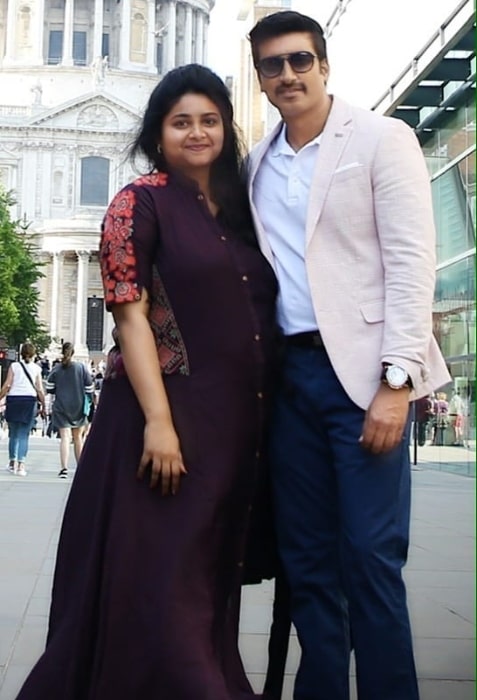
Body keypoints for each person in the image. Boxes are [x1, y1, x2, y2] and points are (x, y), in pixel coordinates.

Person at [15, 64, 277, 700]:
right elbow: (129, 316)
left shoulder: (243, 209)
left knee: (204, 571)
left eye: (209, 120)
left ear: (227, 128)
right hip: (165, 418)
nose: (196, 133)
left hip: (231, 424)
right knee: (163, 572)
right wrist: (159, 422)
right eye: (180, 121)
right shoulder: (138, 201)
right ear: (158, 132)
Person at [246, 11, 451, 700]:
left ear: (324, 64)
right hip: (290, 383)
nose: (287, 75)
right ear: (261, 79)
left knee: (369, 559)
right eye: (272, 65)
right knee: (307, 565)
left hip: (364, 379)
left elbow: (409, 261)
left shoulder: (380, 138)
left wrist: (396, 382)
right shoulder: (255, 165)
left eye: (299, 60)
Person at [45, 342, 94, 478]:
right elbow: (89, 388)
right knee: (78, 438)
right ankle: (80, 467)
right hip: (78, 406)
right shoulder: (81, 368)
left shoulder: (57, 368)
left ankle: (64, 469)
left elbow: (49, 387)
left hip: (61, 405)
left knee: (65, 438)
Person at [0, 342, 45, 476]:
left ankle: (12, 462)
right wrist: (43, 404)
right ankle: (21, 465)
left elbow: (7, 385)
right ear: (33, 354)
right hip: (29, 401)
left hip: (14, 399)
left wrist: (1, 396)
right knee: (24, 434)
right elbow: (39, 389)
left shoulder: (14, 366)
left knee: (13, 433)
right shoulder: (37, 369)